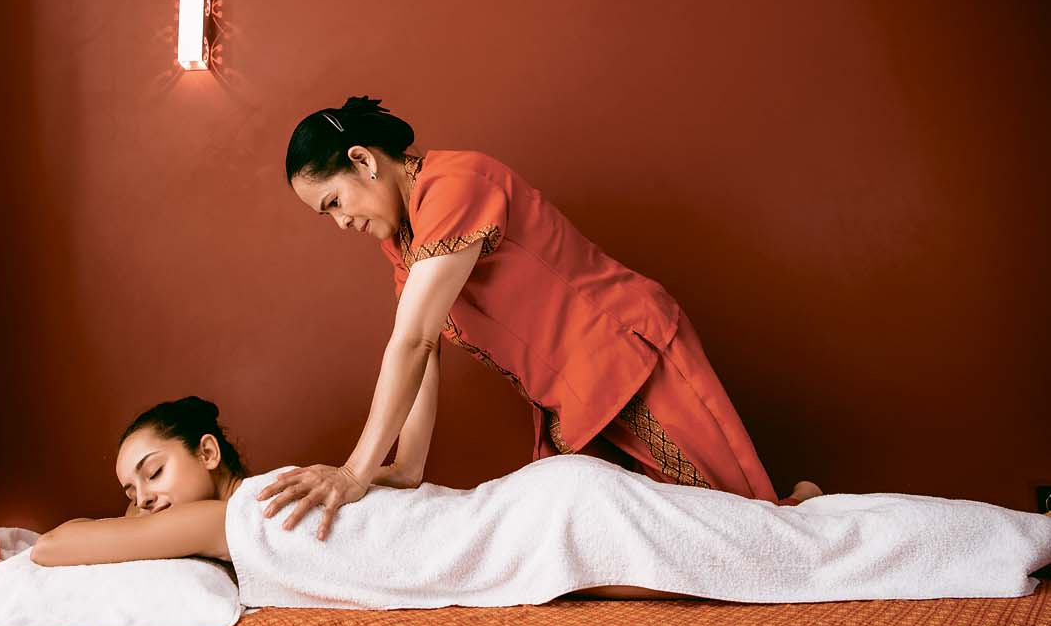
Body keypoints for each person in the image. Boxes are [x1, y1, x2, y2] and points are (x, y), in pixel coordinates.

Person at [265, 96, 817, 541]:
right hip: (569, 406)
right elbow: (424, 352)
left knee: (746, 531)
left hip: (631, 361)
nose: (340, 223)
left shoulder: (455, 184)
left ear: (363, 161)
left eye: (333, 202)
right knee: (633, 548)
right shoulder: (403, 244)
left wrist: (355, 471)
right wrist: (407, 467)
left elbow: (412, 342)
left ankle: (807, 507)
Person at [29, 398, 1051, 607]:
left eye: (150, 473)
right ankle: (1012, 536)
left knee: (799, 559)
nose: (142, 503)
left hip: (554, 518)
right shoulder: (276, 501)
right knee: (792, 549)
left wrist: (21, 542)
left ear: (207, 453)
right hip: (546, 522)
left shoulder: (247, 507)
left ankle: (1023, 536)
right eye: (131, 492)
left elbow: (61, 547)